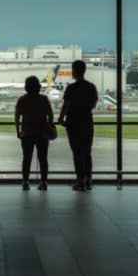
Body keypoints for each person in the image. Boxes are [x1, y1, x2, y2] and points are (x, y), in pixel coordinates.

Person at [58, 60, 98, 191]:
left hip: (73, 122)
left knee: (77, 153)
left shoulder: (71, 88)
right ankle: (89, 180)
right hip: (86, 121)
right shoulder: (91, 87)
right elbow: (93, 105)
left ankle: (80, 180)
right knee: (87, 152)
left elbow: (66, 105)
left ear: (74, 71)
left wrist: (61, 118)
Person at [14, 75, 54, 191]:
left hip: (26, 133)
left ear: (26, 87)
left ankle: (25, 182)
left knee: (27, 159)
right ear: (38, 86)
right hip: (42, 133)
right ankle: (44, 182)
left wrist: (18, 132)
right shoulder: (44, 99)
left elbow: (17, 117)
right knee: (43, 159)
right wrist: (47, 126)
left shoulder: (22, 99)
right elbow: (51, 116)